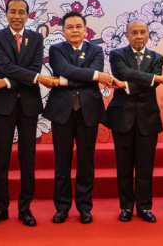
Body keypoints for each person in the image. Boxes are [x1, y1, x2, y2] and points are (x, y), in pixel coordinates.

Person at [0, 0, 55, 227]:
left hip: (29, 106)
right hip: (4, 106)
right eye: (12, 11)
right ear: (6, 14)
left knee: (28, 159)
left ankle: (25, 209)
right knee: (1, 159)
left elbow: (34, 67)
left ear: (27, 14)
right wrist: (32, 78)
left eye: (21, 12)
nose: (17, 15)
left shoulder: (36, 38)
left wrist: (7, 82)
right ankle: (0, 208)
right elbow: (4, 66)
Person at [44, 11, 113, 224]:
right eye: (70, 27)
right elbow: (63, 69)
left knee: (86, 162)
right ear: (63, 30)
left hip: (88, 111)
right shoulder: (56, 49)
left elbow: (84, 73)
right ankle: (62, 207)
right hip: (62, 112)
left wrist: (65, 80)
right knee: (61, 162)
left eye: (78, 27)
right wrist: (92, 76)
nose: (75, 30)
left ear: (85, 29)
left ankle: (84, 207)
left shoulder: (96, 50)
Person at [106, 20, 163, 223]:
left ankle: (144, 207)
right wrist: (149, 79)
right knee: (124, 165)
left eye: (143, 32)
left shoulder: (157, 57)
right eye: (135, 32)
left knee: (145, 166)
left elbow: (151, 83)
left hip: (147, 119)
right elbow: (122, 73)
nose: (139, 36)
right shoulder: (117, 54)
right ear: (127, 35)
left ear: (149, 34)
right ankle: (126, 206)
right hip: (121, 118)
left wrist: (126, 85)